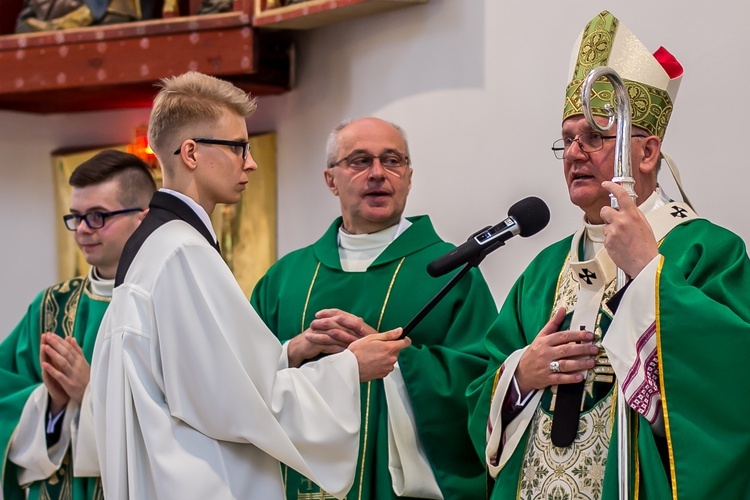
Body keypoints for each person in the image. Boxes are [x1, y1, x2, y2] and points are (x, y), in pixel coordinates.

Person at [467, 10, 750, 499]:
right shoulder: (543, 270)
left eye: (595, 137)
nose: (575, 153)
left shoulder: (706, 251)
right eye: (568, 139)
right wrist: (520, 375)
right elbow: (482, 385)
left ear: (646, 153)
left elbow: (729, 385)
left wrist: (647, 273)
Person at [88, 72, 411, 499]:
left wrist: (289, 353)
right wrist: (350, 367)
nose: (251, 162)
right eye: (239, 146)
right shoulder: (182, 252)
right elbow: (241, 407)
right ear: (191, 153)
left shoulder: (152, 246)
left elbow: (204, 382)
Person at [251, 117, 498, 499]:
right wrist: (294, 351)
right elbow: (245, 381)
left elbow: (483, 385)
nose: (378, 174)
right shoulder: (284, 279)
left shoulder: (452, 272)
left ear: (409, 178)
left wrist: (399, 362)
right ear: (330, 180)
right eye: (359, 161)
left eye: (393, 160)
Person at [0, 150, 156, 500]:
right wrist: (51, 403)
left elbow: (188, 421)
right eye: (76, 217)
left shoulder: (166, 305)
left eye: (98, 216)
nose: (83, 229)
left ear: (143, 219)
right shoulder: (50, 308)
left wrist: (90, 392)